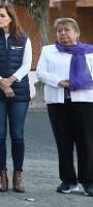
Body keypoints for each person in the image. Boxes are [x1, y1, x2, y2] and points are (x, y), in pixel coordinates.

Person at [36, 18, 93, 196]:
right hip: (58, 102)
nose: (62, 34)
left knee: (86, 143)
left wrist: (78, 82)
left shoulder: (90, 52)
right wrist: (58, 82)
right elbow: (41, 72)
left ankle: (88, 181)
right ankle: (68, 181)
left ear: (77, 33)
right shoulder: (48, 51)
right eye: (59, 31)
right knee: (64, 142)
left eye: (67, 30)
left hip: (85, 102)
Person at [0, 5, 32, 193]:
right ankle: (2, 174)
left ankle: (18, 174)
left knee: (17, 134)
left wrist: (11, 81)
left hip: (20, 93)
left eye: (2, 15)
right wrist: (2, 83)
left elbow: (27, 64)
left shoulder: (24, 39)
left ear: (11, 18)